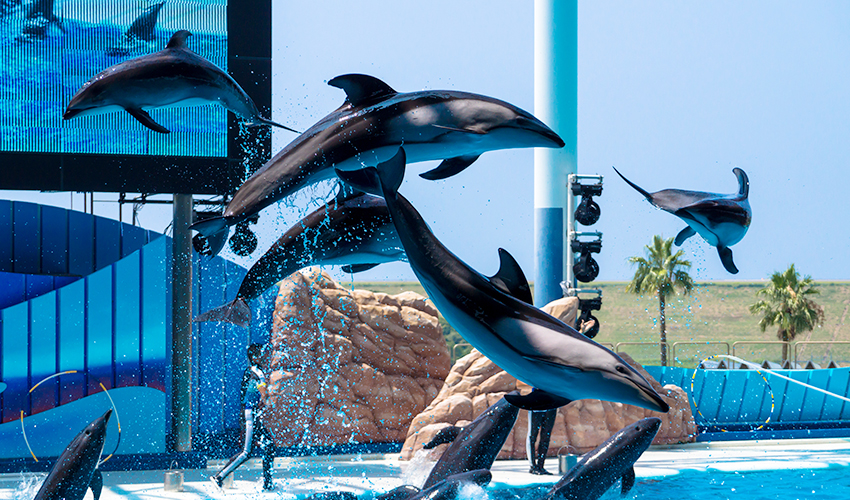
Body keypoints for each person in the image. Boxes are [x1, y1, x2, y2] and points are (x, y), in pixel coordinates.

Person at [210, 343, 276, 490]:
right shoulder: (257, 372)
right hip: (251, 415)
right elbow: (264, 396)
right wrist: (269, 400)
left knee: (269, 446)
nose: (264, 357)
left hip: (251, 415)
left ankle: (268, 483)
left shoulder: (250, 371)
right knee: (246, 452)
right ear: (254, 357)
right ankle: (219, 477)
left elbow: (245, 397)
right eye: (261, 354)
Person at [526, 408, 557, 475]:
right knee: (532, 437)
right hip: (536, 406)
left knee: (546, 437)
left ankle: (541, 466)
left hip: (551, 407)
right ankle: (533, 467)